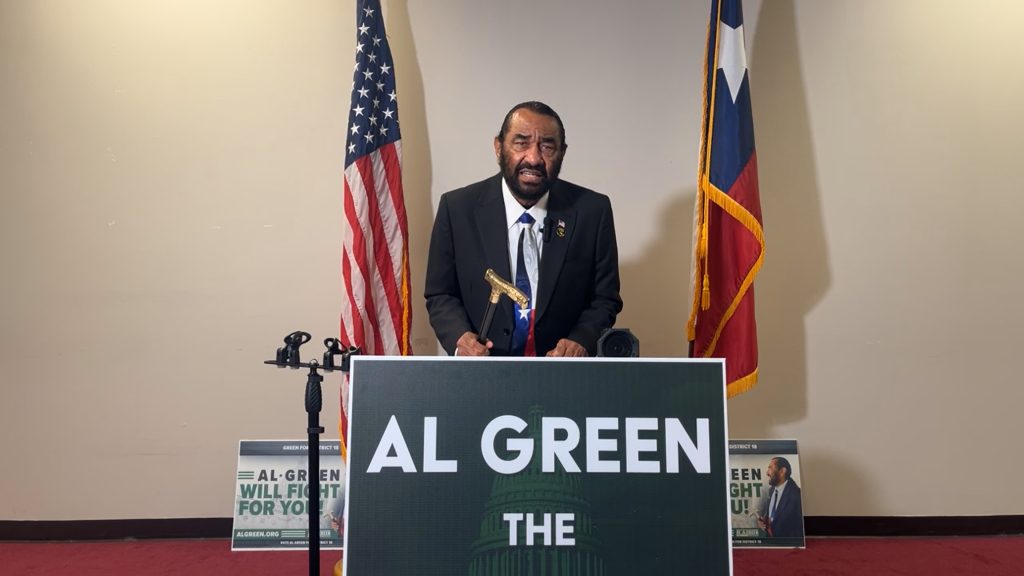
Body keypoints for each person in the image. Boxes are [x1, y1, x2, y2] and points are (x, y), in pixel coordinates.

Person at [425, 101, 622, 357]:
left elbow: (605, 298)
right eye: (521, 143)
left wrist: (581, 340)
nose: (534, 158)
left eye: (547, 146)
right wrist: (460, 338)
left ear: (562, 152)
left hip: (562, 377)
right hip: (482, 375)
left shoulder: (593, 211)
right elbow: (441, 293)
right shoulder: (457, 209)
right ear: (499, 147)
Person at [757, 456, 804, 538]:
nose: (767, 473)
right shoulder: (771, 490)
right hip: (770, 544)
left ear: (782, 471)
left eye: (770, 468)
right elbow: (773, 517)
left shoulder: (796, 495)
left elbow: (798, 529)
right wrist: (763, 522)